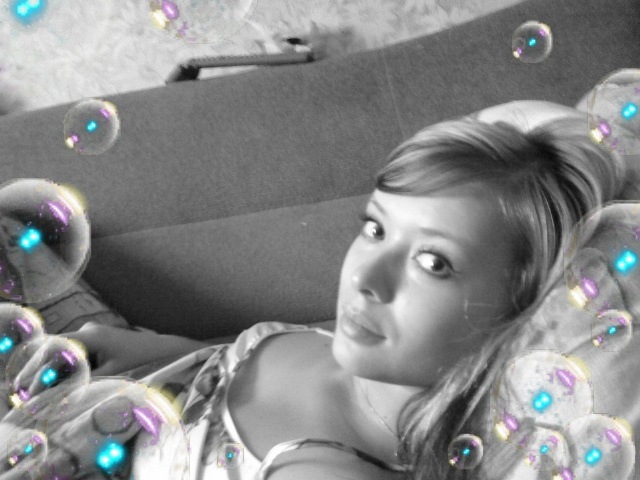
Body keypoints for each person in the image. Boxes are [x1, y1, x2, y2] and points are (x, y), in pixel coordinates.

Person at [0, 101, 636, 480]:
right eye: (375, 228)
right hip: (116, 387)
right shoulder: (361, 353)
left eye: (433, 262)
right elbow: (226, 371)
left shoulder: (323, 468)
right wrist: (158, 348)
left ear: (516, 310)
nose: (365, 276)